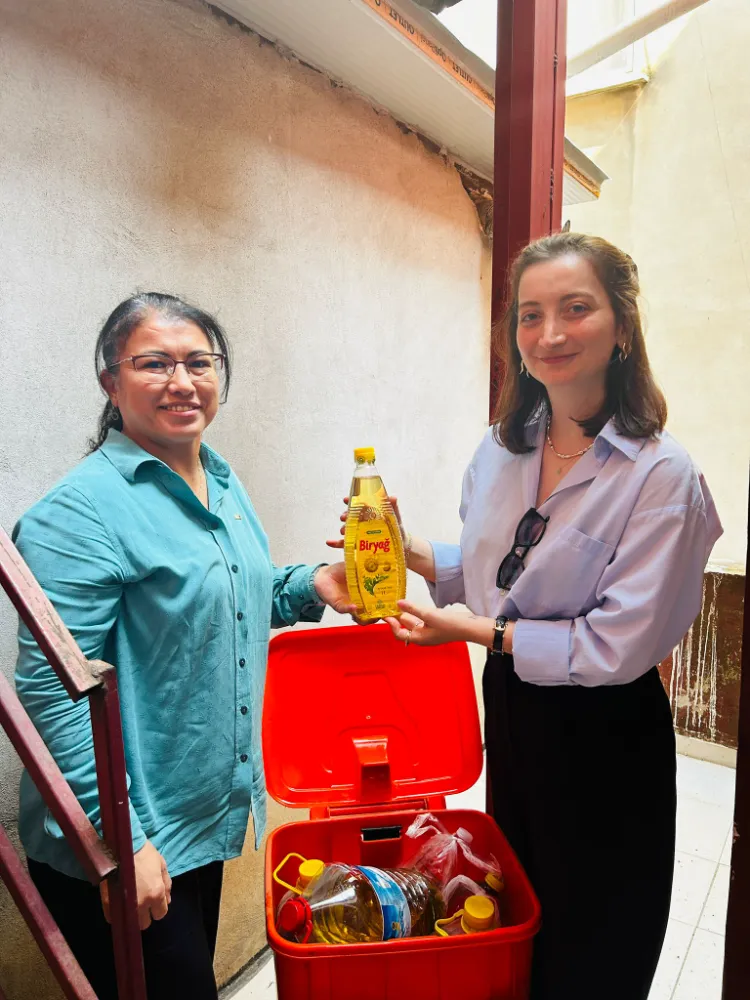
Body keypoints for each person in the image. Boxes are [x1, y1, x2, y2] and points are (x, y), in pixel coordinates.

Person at [352, 234, 722, 999]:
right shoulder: (502, 448)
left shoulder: (661, 474)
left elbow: (616, 644)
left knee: (597, 934)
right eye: (530, 315)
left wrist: (474, 633)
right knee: (519, 910)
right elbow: (494, 576)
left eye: (575, 309)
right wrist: (404, 547)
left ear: (622, 327)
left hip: (605, 730)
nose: (550, 333)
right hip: (515, 708)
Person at [14, 293, 355, 999]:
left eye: (199, 362)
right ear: (111, 382)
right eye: (154, 364)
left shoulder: (218, 481)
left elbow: (233, 596)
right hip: (126, 835)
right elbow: (53, 691)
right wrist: (123, 842)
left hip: (197, 820)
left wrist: (312, 583)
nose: (182, 381)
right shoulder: (76, 513)